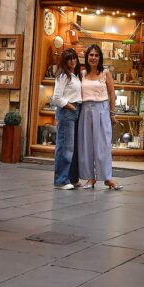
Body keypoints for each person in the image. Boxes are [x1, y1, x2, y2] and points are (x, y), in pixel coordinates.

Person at [77, 44, 122, 190]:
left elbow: (112, 94)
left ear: (100, 57)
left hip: (102, 110)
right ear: (87, 57)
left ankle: (107, 178)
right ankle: (91, 178)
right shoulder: (82, 74)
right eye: (91, 55)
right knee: (87, 145)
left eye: (96, 55)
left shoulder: (105, 73)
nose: (93, 58)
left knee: (103, 146)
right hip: (85, 111)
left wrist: (112, 113)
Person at [51, 48, 82, 190]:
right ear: (65, 60)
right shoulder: (63, 75)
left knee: (72, 147)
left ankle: (70, 178)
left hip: (75, 111)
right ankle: (61, 180)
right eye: (70, 58)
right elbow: (56, 98)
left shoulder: (73, 75)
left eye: (74, 58)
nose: (73, 61)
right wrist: (70, 106)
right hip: (67, 112)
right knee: (65, 147)